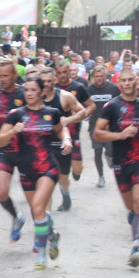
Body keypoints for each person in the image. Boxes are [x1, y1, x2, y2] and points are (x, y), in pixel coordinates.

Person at [94, 66, 139, 267]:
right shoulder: (112, 106)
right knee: (131, 208)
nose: (127, 83)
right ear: (119, 83)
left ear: (136, 81)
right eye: (123, 80)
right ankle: (135, 221)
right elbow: (97, 133)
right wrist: (119, 135)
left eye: (130, 80)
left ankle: (135, 247)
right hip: (120, 163)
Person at [0, 76, 69, 269]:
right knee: (39, 213)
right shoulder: (16, 115)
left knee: (38, 207)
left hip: (48, 167)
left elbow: (62, 130)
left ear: (41, 92)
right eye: (26, 90)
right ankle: (53, 236)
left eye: (33, 90)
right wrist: (12, 132)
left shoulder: (51, 112)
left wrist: (67, 140)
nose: (29, 93)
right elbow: (1, 141)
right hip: (26, 170)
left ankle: (41, 255)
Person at [0, 58, 27, 241]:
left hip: (27, 150)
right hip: (3, 149)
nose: (2, 79)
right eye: (0, 75)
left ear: (15, 75)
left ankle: (46, 229)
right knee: (1, 192)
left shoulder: (25, 93)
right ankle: (16, 217)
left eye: (6, 76)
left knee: (34, 198)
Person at [40, 66, 85, 211]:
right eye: (43, 81)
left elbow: (82, 111)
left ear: (54, 80)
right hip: (43, 146)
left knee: (62, 180)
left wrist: (68, 119)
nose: (46, 84)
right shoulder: (34, 97)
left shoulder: (64, 96)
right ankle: (46, 219)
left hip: (61, 144)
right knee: (46, 183)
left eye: (49, 81)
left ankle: (65, 193)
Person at [86, 64, 120, 188]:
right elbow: (84, 105)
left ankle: (109, 155)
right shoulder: (89, 90)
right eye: (96, 77)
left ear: (106, 76)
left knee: (110, 150)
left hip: (109, 125)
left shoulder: (113, 88)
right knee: (97, 151)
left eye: (101, 76)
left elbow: (119, 104)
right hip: (94, 125)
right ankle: (101, 177)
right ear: (93, 77)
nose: (99, 79)